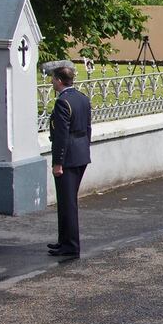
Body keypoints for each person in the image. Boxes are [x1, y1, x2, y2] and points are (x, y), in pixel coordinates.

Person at [45, 61, 92, 258]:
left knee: (67, 203)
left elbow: (62, 135)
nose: (52, 83)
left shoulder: (63, 102)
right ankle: (64, 240)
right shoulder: (82, 98)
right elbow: (88, 128)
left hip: (68, 157)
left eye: (53, 79)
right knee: (67, 201)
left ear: (59, 80)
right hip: (80, 154)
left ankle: (71, 245)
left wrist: (58, 162)